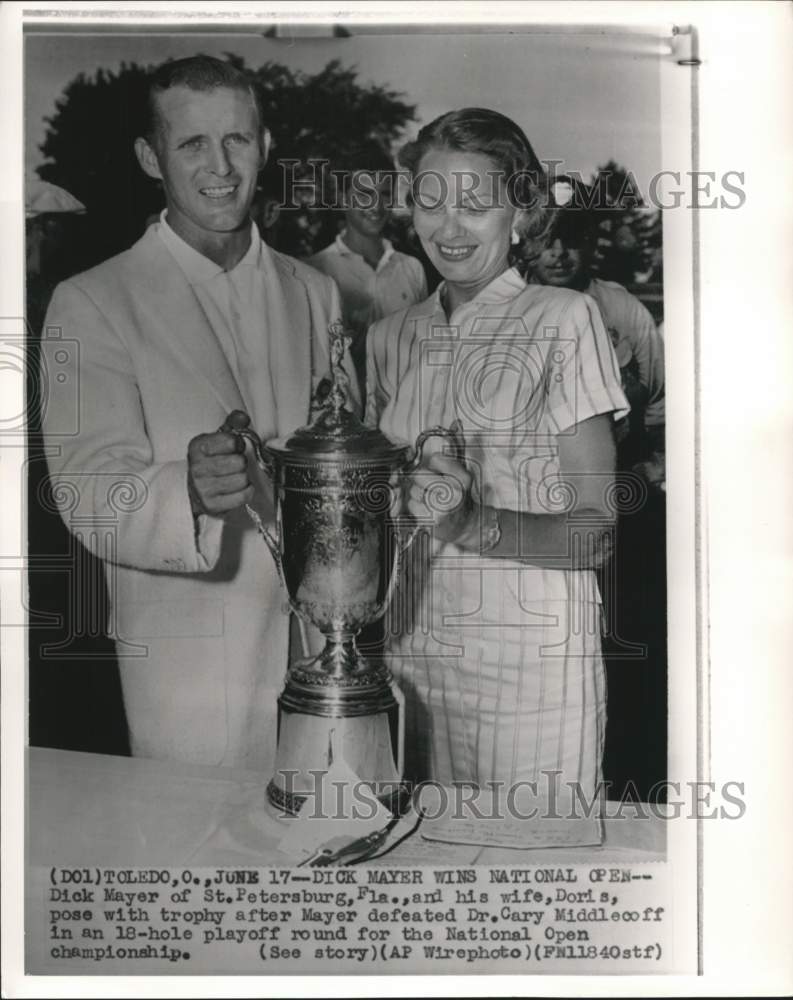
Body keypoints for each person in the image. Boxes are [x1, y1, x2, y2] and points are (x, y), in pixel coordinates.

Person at [40, 56, 356, 769]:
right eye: (192, 144)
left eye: (237, 140)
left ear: (264, 145)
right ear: (151, 158)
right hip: (186, 664)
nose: (220, 166)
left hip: (317, 648)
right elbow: (86, 490)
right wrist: (183, 489)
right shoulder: (90, 300)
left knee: (324, 852)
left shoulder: (316, 292)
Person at [365, 109, 629, 798]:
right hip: (411, 655)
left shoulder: (561, 319)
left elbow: (593, 535)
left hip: (530, 665)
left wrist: (464, 522)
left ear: (521, 212)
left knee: (527, 871)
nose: (447, 228)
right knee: (417, 867)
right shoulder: (390, 336)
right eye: (429, 201)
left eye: (475, 205)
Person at [529, 177, 665, 466]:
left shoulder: (622, 308)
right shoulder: (505, 308)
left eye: (572, 238)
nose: (559, 252)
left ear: (591, 240)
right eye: (545, 239)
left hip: (617, 469)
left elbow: (658, 401)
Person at [307, 147, 427, 398]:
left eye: (384, 194)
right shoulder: (314, 270)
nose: (376, 205)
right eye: (363, 194)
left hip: (402, 413)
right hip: (344, 421)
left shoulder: (411, 268)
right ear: (341, 197)